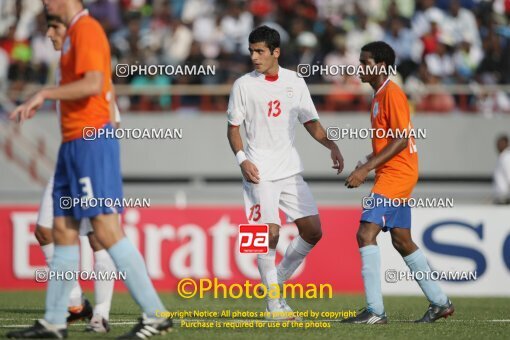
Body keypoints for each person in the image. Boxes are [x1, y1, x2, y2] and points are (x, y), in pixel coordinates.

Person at [7, 0, 171, 338]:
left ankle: (154, 314)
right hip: (72, 144)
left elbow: (95, 84)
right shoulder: (70, 36)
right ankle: (55, 320)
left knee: (105, 231)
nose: (45, 5)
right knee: (63, 230)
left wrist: (44, 94)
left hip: (91, 140)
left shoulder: (87, 29)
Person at [226, 25, 344, 319]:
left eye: (260, 51)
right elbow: (233, 129)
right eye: (251, 51)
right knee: (267, 233)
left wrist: (331, 145)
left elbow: (310, 121)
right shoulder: (243, 85)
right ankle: (274, 304)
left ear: (275, 52)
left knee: (313, 231)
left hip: (290, 171)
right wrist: (242, 159)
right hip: (258, 172)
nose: (254, 57)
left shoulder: (295, 81)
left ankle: (276, 280)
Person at [342, 41, 454, 324]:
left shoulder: (391, 92)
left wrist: (366, 168)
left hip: (396, 174)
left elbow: (402, 139)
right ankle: (440, 302)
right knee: (402, 240)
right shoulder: (379, 95)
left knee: (365, 233)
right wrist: (368, 157)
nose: (360, 68)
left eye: (365, 63)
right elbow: (390, 138)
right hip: (395, 172)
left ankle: (374, 311)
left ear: (380, 65)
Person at [33, 12, 120, 333]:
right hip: (66, 162)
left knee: (99, 237)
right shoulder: (62, 74)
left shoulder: (91, 76)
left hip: (90, 160)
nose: (51, 37)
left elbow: (112, 119)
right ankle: (74, 303)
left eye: (54, 31)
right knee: (44, 230)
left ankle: (101, 313)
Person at [493, 134, 510, 204]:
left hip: (505, 198)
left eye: (501, 143)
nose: (498, 145)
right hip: (501, 197)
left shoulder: (507, 157)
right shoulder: (502, 157)